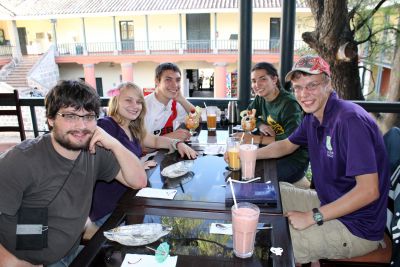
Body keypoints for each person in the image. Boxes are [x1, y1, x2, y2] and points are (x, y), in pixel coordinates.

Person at [256, 55, 390, 263]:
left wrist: (312, 216)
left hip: (356, 226)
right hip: (330, 200)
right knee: (271, 190)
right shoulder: (313, 117)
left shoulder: (349, 121)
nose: (303, 94)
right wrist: (249, 154)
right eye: (298, 87)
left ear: (329, 84)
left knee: (274, 246)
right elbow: (286, 145)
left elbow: (369, 191)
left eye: (312, 86)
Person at [0, 80, 147, 266]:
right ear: (51, 119)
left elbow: (139, 181)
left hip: (72, 252)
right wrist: (13, 263)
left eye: (88, 116)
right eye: (70, 116)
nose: (81, 126)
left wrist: (114, 143)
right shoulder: (21, 160)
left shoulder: (94, 150)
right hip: (33, 262)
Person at [90, 82, 197, 226]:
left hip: (133, 199)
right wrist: (137, 165)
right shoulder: (105, 126)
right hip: (112, 209)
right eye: (128, 100)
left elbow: (155, 140)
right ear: (116, 100)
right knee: (170, 222)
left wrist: (176, 143)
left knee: (175, 212)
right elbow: (104, 163)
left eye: (139, 102)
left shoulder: (132, 126)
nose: (135, 106)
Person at [247, 62, 309, 186]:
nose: (257, 85)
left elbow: (290, 141)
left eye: (262, 79)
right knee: (246, 168)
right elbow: (249, 114)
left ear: (274, 79)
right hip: (273, 150)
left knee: (258, 176)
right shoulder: (260, 98)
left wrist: (256, 139)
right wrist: (260, 125)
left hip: (294, 158)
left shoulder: (289, 104)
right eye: (254, 81)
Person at [144, 62, 194, 141]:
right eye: (168, 80)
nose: (175, 85)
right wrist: (170, 137)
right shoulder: (143, 106)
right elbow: (140, 146)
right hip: (149, 153)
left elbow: (197, 119)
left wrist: (182, 99)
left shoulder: (175, 102)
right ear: (157, 81)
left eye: (177, 80)